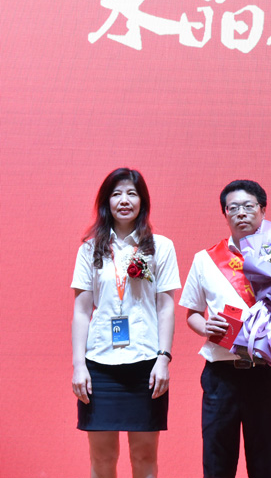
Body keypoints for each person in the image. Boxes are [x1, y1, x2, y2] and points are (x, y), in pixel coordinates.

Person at [179, 180, 271, 478]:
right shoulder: (205, 260)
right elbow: (192, 314)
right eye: (233, 208)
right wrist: (205, 326)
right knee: (217, 464)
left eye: (249, 206)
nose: (241, 213)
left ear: (263, 211)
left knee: (264, 466)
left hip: (263, 373)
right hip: (220, 375)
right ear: (225, 214)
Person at [71, 168, 180, 478]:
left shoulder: (160, 246)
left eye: (132, 193)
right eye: (117, 193)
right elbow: (81, 311)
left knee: (144, 456)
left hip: (146, 364)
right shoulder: (90, 249)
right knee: (102, 457)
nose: (124, 200)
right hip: (99, 365)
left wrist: (163, 359)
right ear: (106, 201)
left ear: (142, 201)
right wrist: (79, 366)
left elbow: (166, 307)